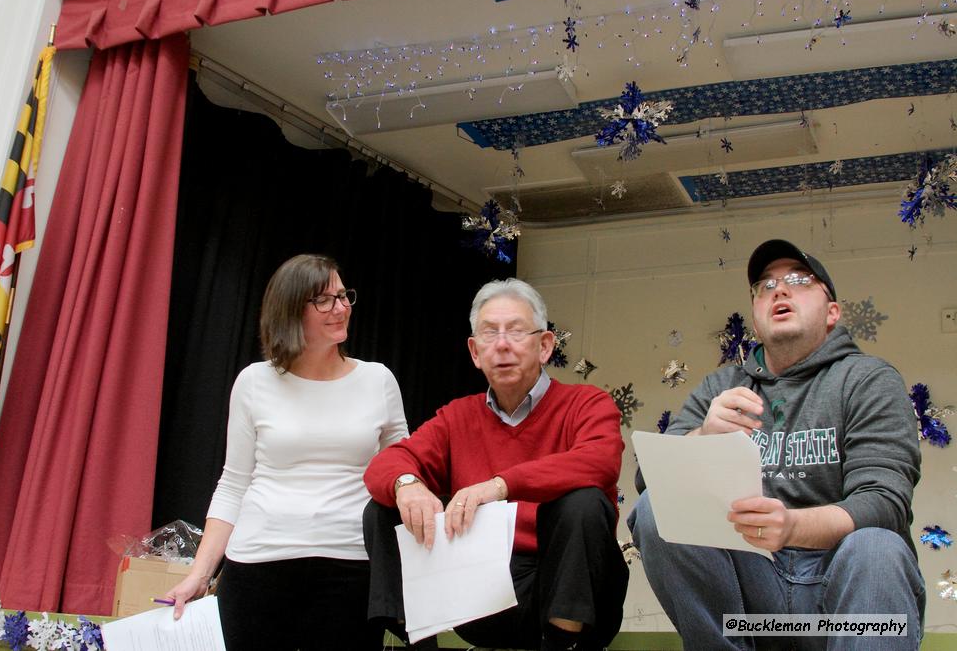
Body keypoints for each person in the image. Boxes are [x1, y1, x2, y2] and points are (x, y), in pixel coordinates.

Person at [629, 239, 924, 650]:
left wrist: (791, 527)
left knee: (876, 546)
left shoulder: (868, 380)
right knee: (655, 507)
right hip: (752, 603)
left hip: (839, 599)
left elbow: (884, 503)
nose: (780, 290)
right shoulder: (721, 387)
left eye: (799, 280)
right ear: (756, 313)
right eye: (765, 286)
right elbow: (651, 481)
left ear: (832, 313)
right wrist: (704, 438)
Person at [363, 278, 628, 651]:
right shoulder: (458, 417)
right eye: (489, 334)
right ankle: (418, 642)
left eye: (516, 332)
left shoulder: (587, 404)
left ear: (545, 345)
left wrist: (500, 485)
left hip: (573, 589)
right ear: (474, 351)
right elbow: (384, 465)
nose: (502, 344)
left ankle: (561, 643)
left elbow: (599, 462)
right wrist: (407, 483)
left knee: (583, 502)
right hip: (480, 587)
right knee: (383, 507)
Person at [165, 254, 408, 650]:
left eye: (344, 295)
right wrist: (199, 574)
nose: (341, 307)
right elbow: (233, 484)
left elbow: (402, 471)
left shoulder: (378, 380)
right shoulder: (253, 382)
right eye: (325, 300)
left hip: (351, 565)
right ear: (292, 310)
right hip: (258, 565)